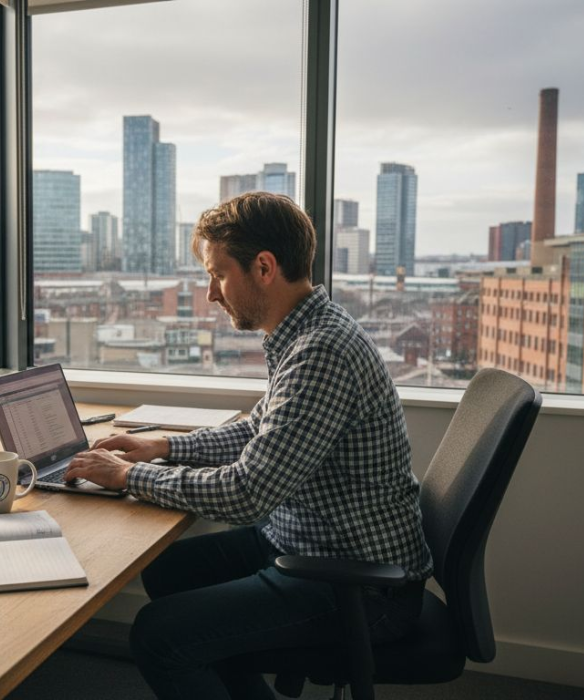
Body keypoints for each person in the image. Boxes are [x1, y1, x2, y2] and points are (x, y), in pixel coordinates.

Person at [64, 192, 433, 700]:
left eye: (217, 273)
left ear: (263, 267)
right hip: (312, 540)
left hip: (362, 585)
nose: (212, 293)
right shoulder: (304, 332)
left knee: (158, 637)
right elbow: (254, 432)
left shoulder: (319, 352)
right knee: (171, 570)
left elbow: (246, 494)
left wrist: (127, 476)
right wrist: (162, 448)